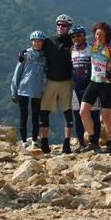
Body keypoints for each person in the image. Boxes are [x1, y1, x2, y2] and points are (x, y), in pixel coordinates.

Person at [37, 14, 75, 154]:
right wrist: (23, 53)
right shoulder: (48, 41)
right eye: (58, 24)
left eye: (64, 25)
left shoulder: (73, 42)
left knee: (67, 112)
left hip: (67, 81)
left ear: (69, 27)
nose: (61, 27)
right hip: (51, 81)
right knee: (44, 111)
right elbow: (36, 48)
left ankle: (67, 144)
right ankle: (44, 143)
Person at [79, 21, 111, 154]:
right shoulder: (93, 46)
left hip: (106, 85)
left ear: (107, 35)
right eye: (96, 34)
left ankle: (109, 145)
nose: (98, 37)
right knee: (83, 112)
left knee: (106, 117)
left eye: (101, 35)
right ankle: (93, 141)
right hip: (93, 82)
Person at [11, 31, 47, 149]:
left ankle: (35, 141)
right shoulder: (25, 56)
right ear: (31, 42)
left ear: (42, 43)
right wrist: (14, 92)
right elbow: (17, 73)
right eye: (34, 41)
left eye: (39, 41)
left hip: (37, 92)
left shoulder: (44, 58)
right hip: (23, 90)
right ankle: (24, 142)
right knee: (24, 116)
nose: (36, 43)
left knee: (35, 117)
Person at [69, 25, 101, 152]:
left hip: (90, 85)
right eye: (73, 36)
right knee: (77, 115)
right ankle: (81, 143)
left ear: (84, 35)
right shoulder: (72, 50)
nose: (76, 38)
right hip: (76, 86)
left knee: (94, 115)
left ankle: (95, 142)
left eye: (78, 35)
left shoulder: (91, 49)